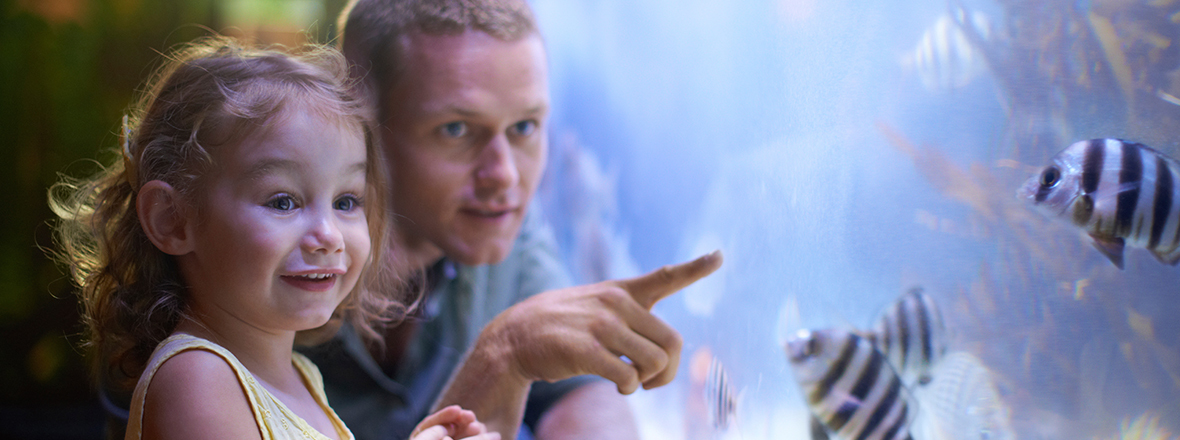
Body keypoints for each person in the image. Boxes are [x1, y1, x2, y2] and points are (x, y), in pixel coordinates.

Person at [300, 1, 724, 439]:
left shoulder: (501, 225)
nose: (504, 174)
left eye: (524, 128)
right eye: (456, 130)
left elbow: (583, 397)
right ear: (356, 118)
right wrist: (504, 355)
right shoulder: (265, 263)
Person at [50, 37, 497, 440]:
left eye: (346, 201)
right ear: (173, 220)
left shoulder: (301, 376)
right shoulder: (196, 379)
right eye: (283, 201)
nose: (327, 236)